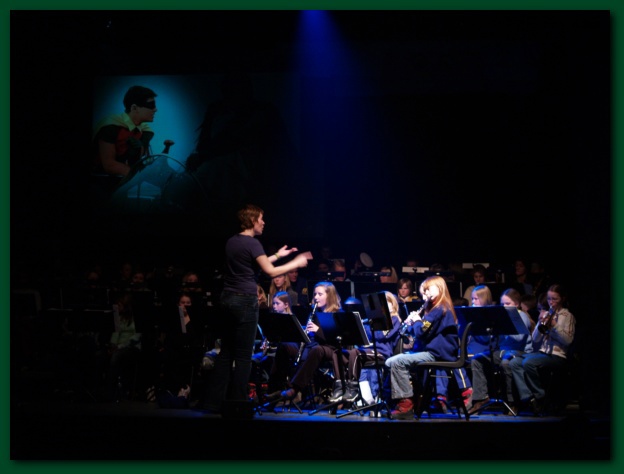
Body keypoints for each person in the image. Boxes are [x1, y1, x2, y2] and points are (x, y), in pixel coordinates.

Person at [203, 204, 312, 413]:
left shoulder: (233, 241)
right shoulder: (253, 243)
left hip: (227, 299)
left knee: (226, 353)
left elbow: (254, 262)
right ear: (253, 221)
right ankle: (238, 403)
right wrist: (296, 263)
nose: (264, 222)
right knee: (244, 355)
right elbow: (269, 271)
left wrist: (278, 255)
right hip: (245, 301)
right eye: (261, 219)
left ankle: (214, 403)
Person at [384, 275, 472, 420]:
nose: (425, 295)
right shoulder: (434, 309)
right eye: (423, 292)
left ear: (439, 288)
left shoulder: (439, 308)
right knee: (390, 362)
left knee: (397, 362)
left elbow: (421, 331)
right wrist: (412, 323)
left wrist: (417, 321)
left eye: (427, 290)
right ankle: (405, 398)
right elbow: (420, 333)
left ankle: (406, 404)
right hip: (430, 351)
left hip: (437, 354)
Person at [509, 284, 575, 415]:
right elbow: (535, 339)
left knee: (528, 363)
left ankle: (540, 396)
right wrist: (540, 322)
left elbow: (568, 340)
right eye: (549, 299)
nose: (551, 302)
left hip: (558, 355)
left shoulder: (567, 316)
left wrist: (555, 326)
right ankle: (529, 397)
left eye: (555, 299)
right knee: (514, 362)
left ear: (562, 299)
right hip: (543, 353)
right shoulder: (547, 313)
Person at [468, 288, 535, 415]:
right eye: (502, 304)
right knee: (477, 359)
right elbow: (490, 339)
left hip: (520, 352)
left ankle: (512, 402)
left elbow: (519, 339)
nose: (504, 306)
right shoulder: (501, 316)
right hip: (503, 351)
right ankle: (481, 398)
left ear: (516, 304)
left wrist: (504, 326)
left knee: (506, 362)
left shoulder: (521, 316)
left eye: (507, 304)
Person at [330, 291, 402, 405]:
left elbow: (382, 336)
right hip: (368, 351)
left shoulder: (394, 319)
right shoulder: (371, 320)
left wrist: (369, 328)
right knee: (337, 353)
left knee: (355, 352)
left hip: (382, 352)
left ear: (392, 305)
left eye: (385, 302)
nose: (381, 306)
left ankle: (353, 388)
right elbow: (363, 334)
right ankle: (339, 386)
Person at [277, 281, 343, 402]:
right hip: (312, 347)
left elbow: (337, 339)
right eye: (315, 294)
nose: (316, 297)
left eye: (320, 294)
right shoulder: (315, 313)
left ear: (330, 296)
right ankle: (276, 389)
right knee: (285, 346)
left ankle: (294, 389)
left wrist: (317, 331)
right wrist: (303, 333)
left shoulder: (337, 313)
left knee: (316, 350)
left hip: (330, 349)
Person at [93, 85, 158, 177]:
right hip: (98, 177)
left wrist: (140, 149)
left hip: (123, 178)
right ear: (134, 108)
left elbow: (141, 159)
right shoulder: (110, 126)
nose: (155, 109)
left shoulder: (146, 131)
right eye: (151, 105)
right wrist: (137, 176)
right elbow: (109, 165)